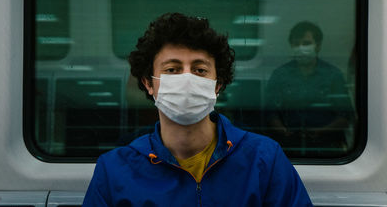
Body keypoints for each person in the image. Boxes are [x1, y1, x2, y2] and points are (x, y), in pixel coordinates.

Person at [83, 13, 312, 206]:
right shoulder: (114, 172)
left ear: (218, 84)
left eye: (200, 70)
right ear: (148, 83)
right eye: (172, 69)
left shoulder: (264, 161)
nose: (187, 80)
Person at [265, 21, 354, 158]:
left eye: (306, 43)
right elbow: (270, 113)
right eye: (296, 44)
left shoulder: (333, 75)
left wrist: (321, 132)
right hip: (288, 146)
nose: (301, 48)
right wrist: (283, 131)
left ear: (318, 46)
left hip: (327, 147)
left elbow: (345, 116)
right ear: (291, 46)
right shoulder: (280, 74)